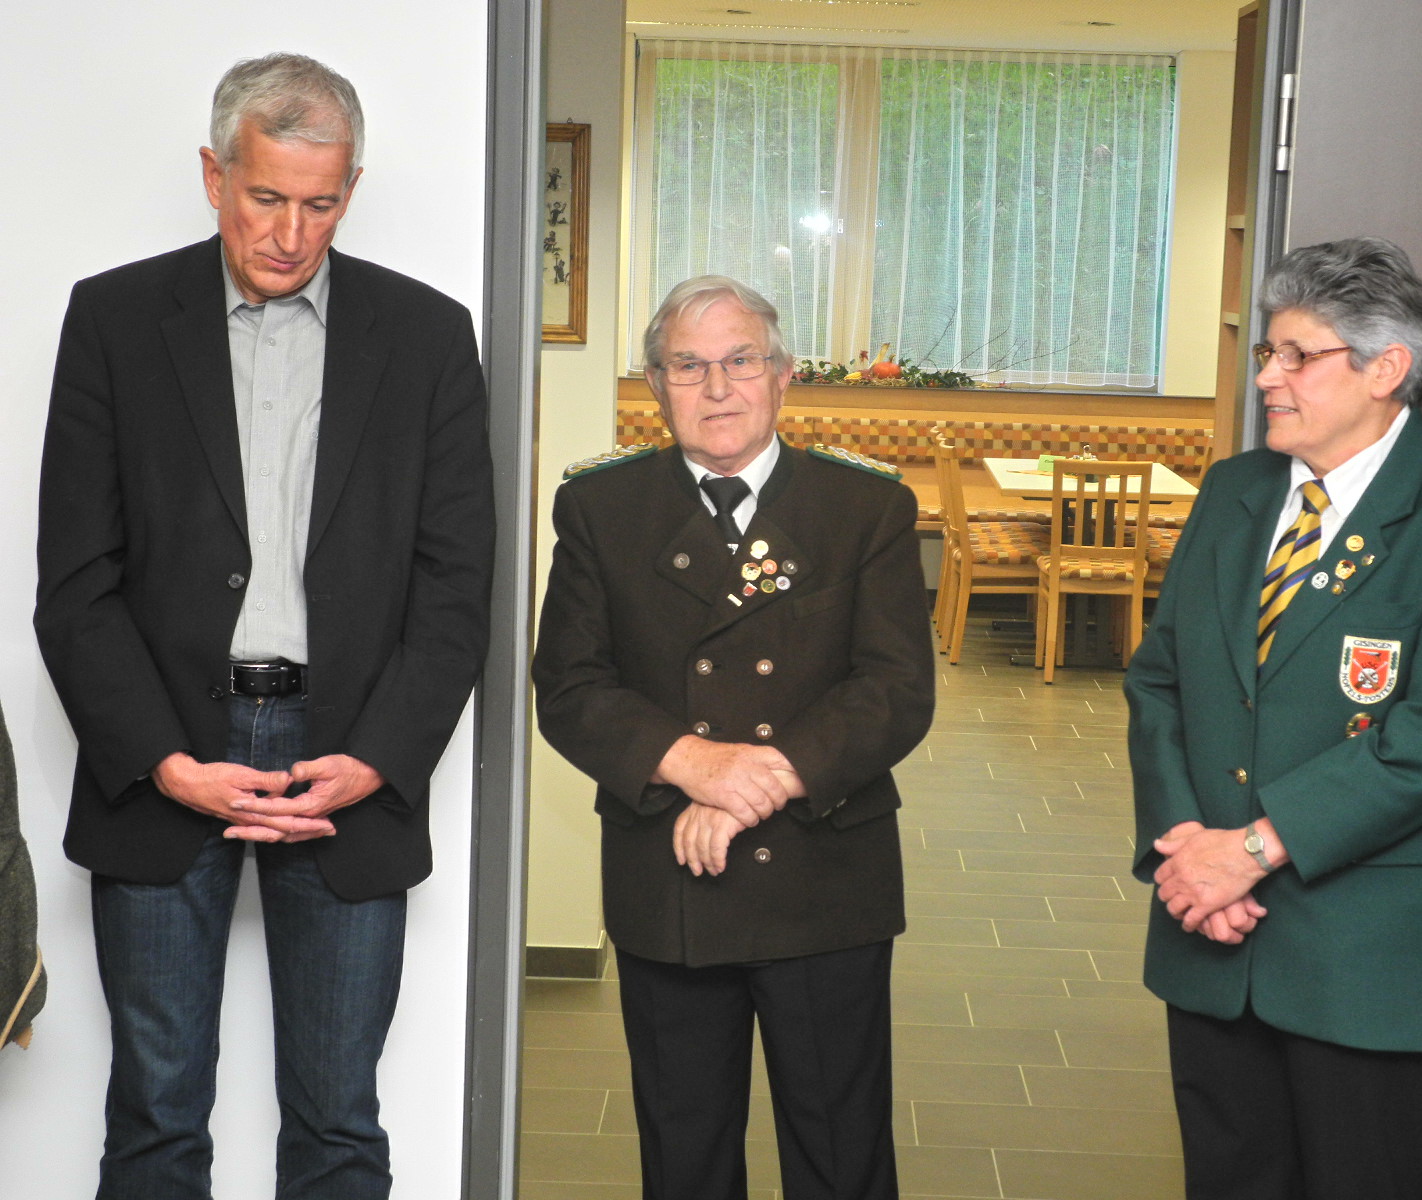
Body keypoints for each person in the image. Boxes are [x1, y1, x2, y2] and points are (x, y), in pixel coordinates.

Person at [34, 53, 494, 1199]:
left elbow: (456, 588)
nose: (292, 235)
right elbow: (76, 582)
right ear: (214, 175)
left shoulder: (430, 335)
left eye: (322, 204)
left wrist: (378, 758)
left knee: (338, 1122)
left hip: (348, 758)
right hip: (164, 750)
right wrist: (163, 761)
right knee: (154, 1116)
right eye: (266, 197)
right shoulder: (114, 320)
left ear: (352, 190)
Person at [1126, 237, 1422, 1199]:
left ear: (1386, 370)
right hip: (1211, 938)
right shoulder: (1233, 491)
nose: (1267, 377)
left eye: (1297, 355)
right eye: (1268, 352)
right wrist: (1190, 854)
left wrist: (1251, 851)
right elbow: (1159, 683)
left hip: (1369, 961)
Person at [532, 275, 934, 1200]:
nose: (717, 388)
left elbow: (896, 689)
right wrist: (698, 765)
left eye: (740, 361)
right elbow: (570, 687)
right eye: (688, 366)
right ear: (654, 384)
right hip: (669, 878)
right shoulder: (602, 508)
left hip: (824, 879)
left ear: (783, 375)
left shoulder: (862, 507)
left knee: (841, 1156)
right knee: (685, 1157)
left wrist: (759, 782)